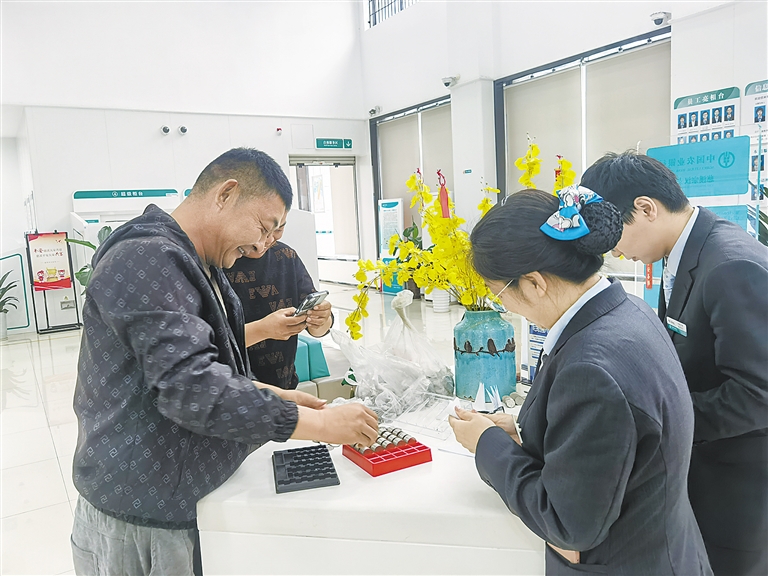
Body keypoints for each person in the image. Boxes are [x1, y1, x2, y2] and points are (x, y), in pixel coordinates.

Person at [70, 148, 378, 576]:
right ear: (226, 194)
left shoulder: (202, 264)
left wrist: (273, 394)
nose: (262, 245)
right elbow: (192, 389)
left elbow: (207, 365)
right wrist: (321, 426)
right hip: (143, 515)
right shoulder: (147, 257)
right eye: (262, 227)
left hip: (182, 500)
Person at [450, 186, 711, 576]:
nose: (504, 306)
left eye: (499, 293)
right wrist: (525, 433)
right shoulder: (626, 310)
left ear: (534, 283)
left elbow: (568, 524)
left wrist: (486, 445)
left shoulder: (590, 369)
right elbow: (613, 447)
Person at [581, 151, 768, 576]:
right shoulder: (688, 250)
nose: (614, 250)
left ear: (646, 208)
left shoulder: (732, 265)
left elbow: (759, 394)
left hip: (738, 483)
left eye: (614, 234)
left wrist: (664, 422)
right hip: (706, 469)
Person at [225, 214, 332, 389]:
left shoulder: (286, 256)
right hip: (235, 391)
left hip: (285, 384)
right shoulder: (220, 261)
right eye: (262, 230)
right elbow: (209, 342)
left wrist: (321, 319)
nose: (267, 240)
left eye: (279, 229)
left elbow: (319, 329)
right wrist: (263, 330)